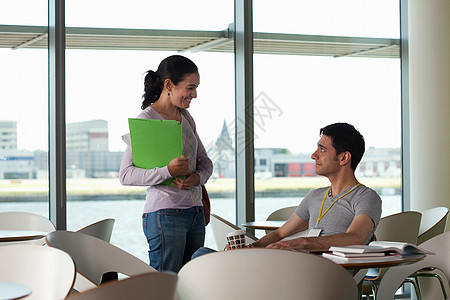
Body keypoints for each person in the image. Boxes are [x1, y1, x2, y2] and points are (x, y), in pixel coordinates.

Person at [193, 122, 381, 258]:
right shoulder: (315, 196)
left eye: (322, 149)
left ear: (343, 158)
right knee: (202, 255)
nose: (313, 155)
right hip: (292, 265)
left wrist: (301, 243)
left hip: (322, 273)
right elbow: (280, 234)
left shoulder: (366, 197)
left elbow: (356, 237)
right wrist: (252, 248)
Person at [119, 55, 213, 273]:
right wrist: (167, 171)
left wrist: (197, 178)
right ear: (169, 85)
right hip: (165, 215)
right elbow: (126, 175)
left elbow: (205, 162)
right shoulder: (146, 120)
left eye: (196, 88)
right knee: (165, 287)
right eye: (190, 88)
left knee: (193, 284)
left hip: (195, 213)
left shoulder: (187, 118)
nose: (195, 95)